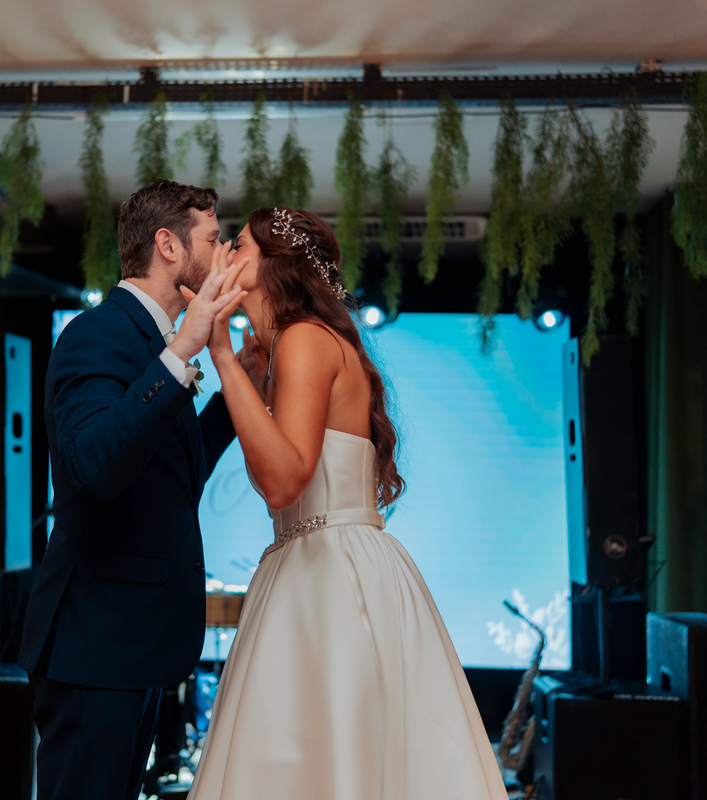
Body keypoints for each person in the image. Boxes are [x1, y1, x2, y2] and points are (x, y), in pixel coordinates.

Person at [186, 208, 508, 799]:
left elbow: (284, 484)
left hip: (329, 573)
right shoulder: (286, 347)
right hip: (309, 562)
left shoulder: (306, 338)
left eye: (237, 246)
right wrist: (248, 369)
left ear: (268, 267)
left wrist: (224, 359)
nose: (224, 255)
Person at [17, 180, 257, 800]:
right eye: (213, 237)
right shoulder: (98, 334)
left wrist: (242, 382)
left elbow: (172, 478)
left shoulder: (154, 345)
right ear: (168, 245)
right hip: (94, 641)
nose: (224, 249)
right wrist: (184, 348)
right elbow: (92, 470)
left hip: (134, 642)